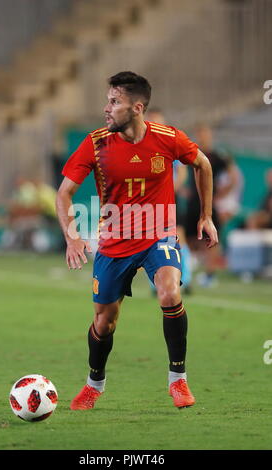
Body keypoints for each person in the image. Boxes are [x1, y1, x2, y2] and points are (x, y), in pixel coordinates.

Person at [56, 71, 218, 411]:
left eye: (115, 102)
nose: (107, 108)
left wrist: (205, 215)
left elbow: (202, 164)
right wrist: (72, 237)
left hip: (158, 235)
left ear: (137, 107)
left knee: (170, 291)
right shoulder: (96, 143)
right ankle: (94, 383)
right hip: (114, 241)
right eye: (108, 100)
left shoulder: (168, 138)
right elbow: (64, 194)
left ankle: (178, 380)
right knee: (105, 321)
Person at [146, 108, 193, 294]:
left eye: (158, 122)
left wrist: (167, 191)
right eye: (151, 122)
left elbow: (182, 172)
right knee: (151, 242)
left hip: (169, 201)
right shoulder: (141, 147)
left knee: (178, 237)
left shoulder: (170, 145)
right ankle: (155, 283)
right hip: (148, 204)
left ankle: (185, 279)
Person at [184, 124, 235, 287]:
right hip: (192, 204)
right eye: (200, 133)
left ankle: (210, 274)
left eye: (205, 133)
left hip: (208, 204)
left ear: (210, 135)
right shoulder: (191, 152)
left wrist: (221, 194)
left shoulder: (217, 156)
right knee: (186, 238)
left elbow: (234, 176)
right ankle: (186, 274)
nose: (202, 137)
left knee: (211, 240)